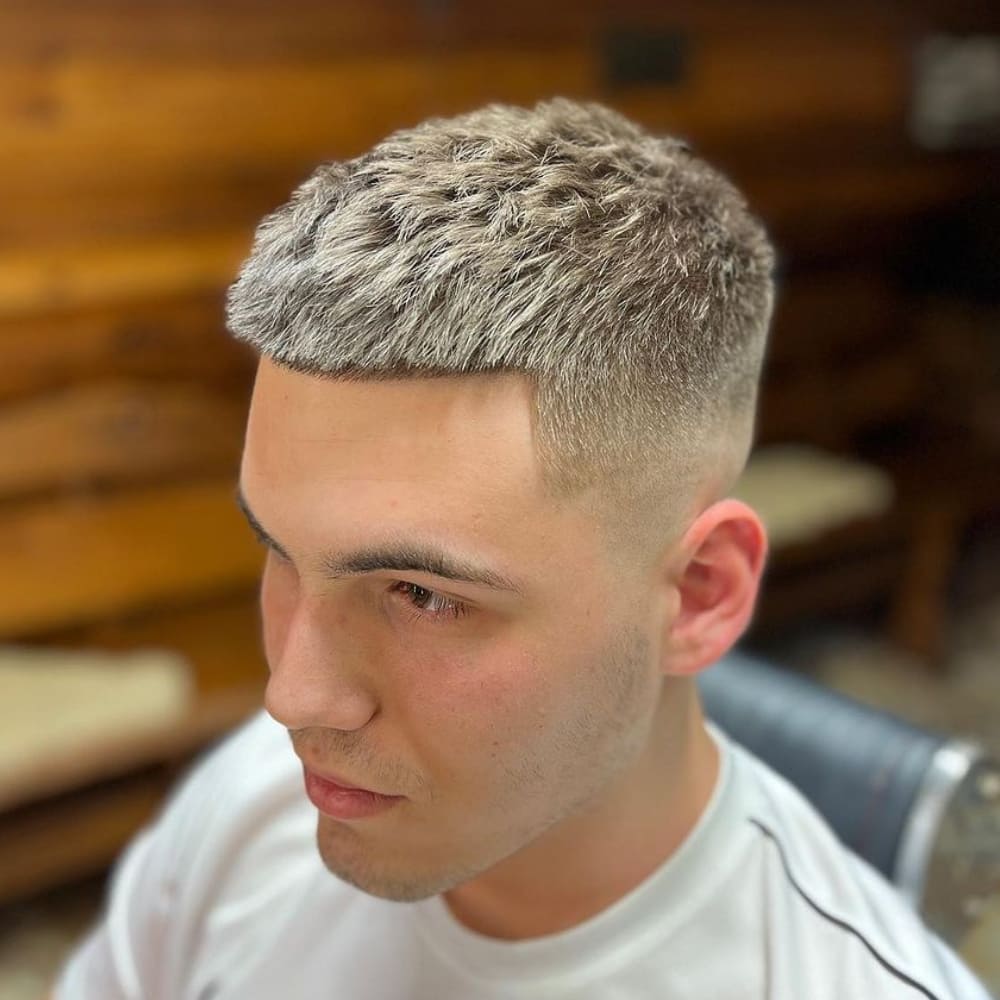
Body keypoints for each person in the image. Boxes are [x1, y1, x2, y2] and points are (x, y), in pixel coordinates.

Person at [56, 99, 990, 999]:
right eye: (279, 550)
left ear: (699, 594)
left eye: (421, 595)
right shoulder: (248, 816)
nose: (291, 699)